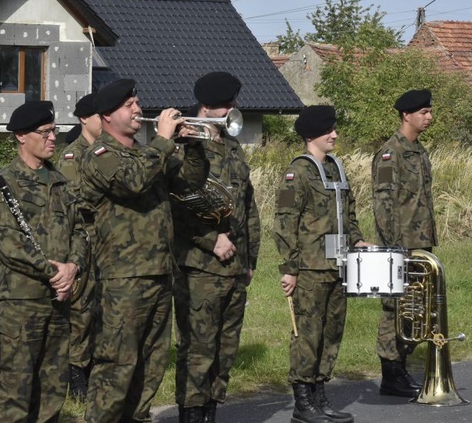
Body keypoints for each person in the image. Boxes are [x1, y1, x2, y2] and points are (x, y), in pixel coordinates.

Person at [80, 79, 209, 423]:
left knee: (150, 368)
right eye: (129, 105)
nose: (138, 110)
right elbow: (132, 182)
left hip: (159, 274)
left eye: (137, 102)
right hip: (121, 280)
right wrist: (164, 140)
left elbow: (191, 182)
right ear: (107, 116)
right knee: (117, 369)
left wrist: (192, 146)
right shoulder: (100, 156)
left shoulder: (148, 153)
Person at [0, 100, 86, 421]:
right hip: (21, 303)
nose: (52, 138)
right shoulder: (3, 184)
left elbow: (81, 233)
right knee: (15, 393)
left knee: (52, 391)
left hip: (59, 302)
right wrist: (53, 272)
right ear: (21, 136)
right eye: (44, 132)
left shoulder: (61, 182)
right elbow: (7, 242)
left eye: (53, 131)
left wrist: (72, 268)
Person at [173, 72, 260, 423]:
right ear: (206, 106)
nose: (232, 108)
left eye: (234, 101)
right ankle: (191, 413)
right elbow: (176, 204)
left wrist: (250, 258)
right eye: (226, 103)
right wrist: (211, 240)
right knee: (198, 348)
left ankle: (211, 408)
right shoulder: (186, 147)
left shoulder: (233, 146)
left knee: (226, 346)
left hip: (235, 266)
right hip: (199, 268)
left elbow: (248, 206)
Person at [276, 105, 369, 423]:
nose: (335, 134)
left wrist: (357, 240)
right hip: (311, 268)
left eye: (334, 128)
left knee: (331, 332)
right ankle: (303, 403)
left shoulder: (336, 169)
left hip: (339, 265)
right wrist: (290, 267)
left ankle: (319, 395)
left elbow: (350, 211)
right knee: (308, 334)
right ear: (312, 134)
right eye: (329, 129)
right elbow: (285, 221)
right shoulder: (297, 172)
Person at [372, 89, 436, 397]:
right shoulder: (391, 152)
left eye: (429, 112)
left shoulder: (419, 151)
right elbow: (384, 204)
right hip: (400, 245)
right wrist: (395, 246)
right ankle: (391, 372)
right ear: (406, 115)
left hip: (421, 244)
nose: (429, 117)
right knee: (394, 308)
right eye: (423, 112)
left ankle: (403, 366)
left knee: (415, 309)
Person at [56, 92, 101, 400]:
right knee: (81, 311)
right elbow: (75, 201)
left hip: (108, 245)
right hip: (84, 242)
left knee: (101, 311)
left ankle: (96, 368)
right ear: (85, 118)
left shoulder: (105, 152)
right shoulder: (74, 156)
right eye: (101, 115)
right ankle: (76, 373)